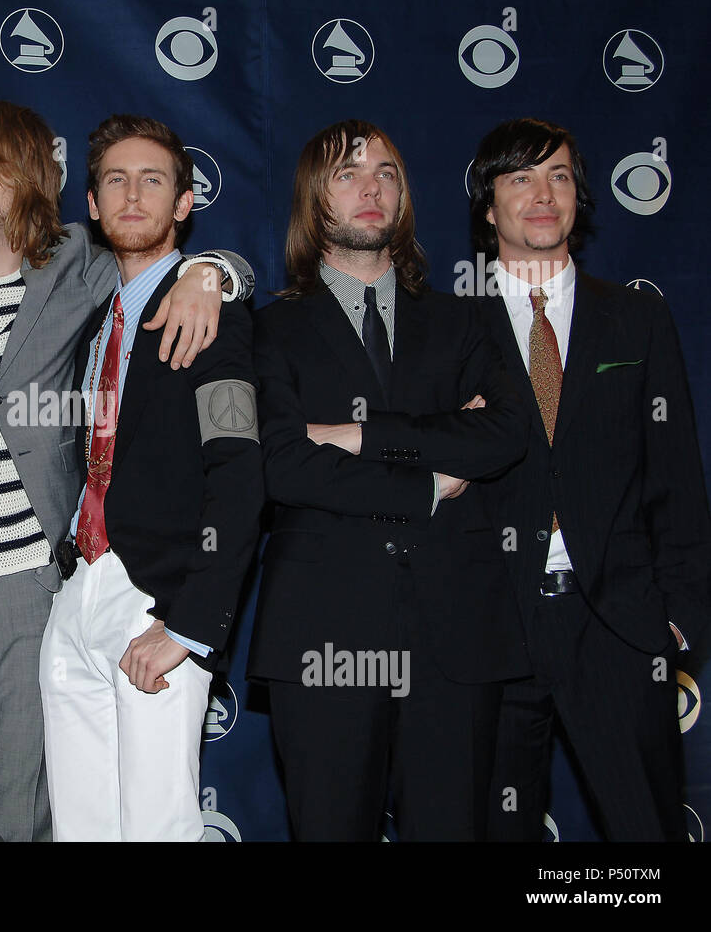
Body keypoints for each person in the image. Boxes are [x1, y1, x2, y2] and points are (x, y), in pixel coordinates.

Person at [0, 100, 253, 841]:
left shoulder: (77, 265)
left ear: (28, 174)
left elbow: (180, 258)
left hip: (43, 590)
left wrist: (213, 271)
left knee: (36, 815)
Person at [248, 119, 528, 840]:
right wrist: (429, 480)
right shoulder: (268, 329)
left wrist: (359, 434)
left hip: (456, 633)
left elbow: (501, 434)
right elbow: (280, 461)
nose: (370, 187)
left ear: (403, 198)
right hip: (322, 633)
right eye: (347, 173)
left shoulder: (470, 321)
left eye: (386, 174)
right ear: (316, 198)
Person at [470, 117, 711, 841]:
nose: (543, 194)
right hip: (490, 628)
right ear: (488, 206)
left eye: (561, 176)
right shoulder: (448, 326)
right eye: (521, 177)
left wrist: (675, 617)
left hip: (619, 625)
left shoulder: (637, 318)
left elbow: (676, 472)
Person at [38, 114, 261, 841]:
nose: (133, 195)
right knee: (83, 828)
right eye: (115, 181)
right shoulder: (95, 320)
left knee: (159, 828)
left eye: (153, 180)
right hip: (77, 595)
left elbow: (239, 472)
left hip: (158, 597)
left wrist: (193, 626)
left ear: (184, 202)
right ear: (93, 206)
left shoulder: (212, 313)